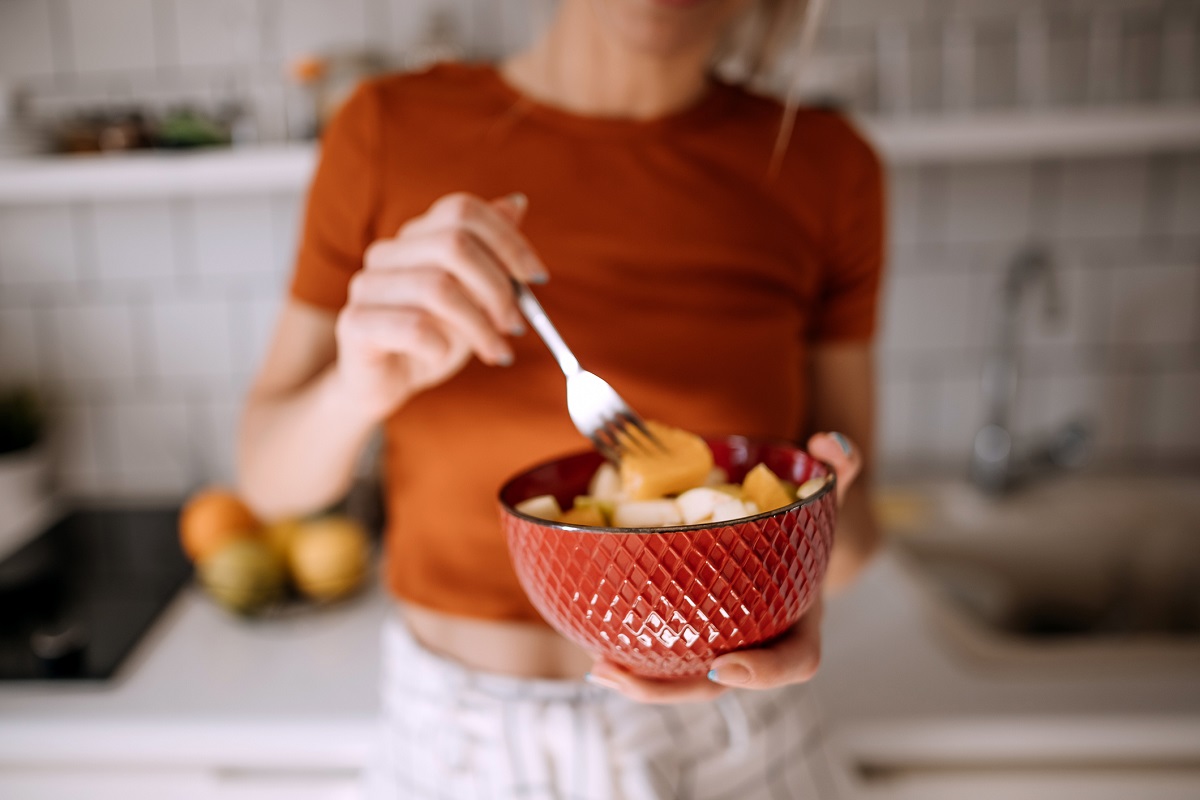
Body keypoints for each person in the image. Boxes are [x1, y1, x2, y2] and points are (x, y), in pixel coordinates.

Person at [238, 0, 884, 796]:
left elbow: (855, 537)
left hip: (734, 743)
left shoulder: (826, 164)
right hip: (453, 746)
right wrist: (356, 387)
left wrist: (805, 537)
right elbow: (268, 479)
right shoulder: (383, 128)